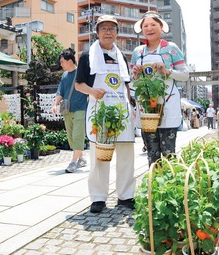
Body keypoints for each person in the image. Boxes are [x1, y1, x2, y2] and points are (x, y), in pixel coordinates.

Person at [75, 15, 135, 213]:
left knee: (126, 154)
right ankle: (98, 198)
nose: (108, 32)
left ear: (117, 33)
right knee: (99, 156)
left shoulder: (122, 57)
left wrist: (130, 108)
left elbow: (127, 85)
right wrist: (93, 91)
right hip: (99, 112)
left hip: (121, 112)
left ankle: (125, 196)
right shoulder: (87, 56)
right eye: (104, 28)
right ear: (97, 32)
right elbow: (79, 84)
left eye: (112, 28)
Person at [131, 11, 189, 166]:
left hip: (168, 104)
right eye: (146, 26)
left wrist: (168, 71)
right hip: (147, 108)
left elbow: (185, 75)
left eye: (153, 25)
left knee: (168, 153)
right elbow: (133, 82)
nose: (149, 28)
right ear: (142, 29)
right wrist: (135, 74)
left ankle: (171, 187)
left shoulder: (171, 49)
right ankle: (153, 187)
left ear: (161, 27)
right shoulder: (138, 52)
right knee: (152, 154)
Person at [51, 48, 88, 173]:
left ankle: (73, 162)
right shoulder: (64, 75)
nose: (61, 64)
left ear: (70, 60)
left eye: (62, 62)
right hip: (67, 110)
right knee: (71, 137)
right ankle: (81, 158)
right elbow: (60, 91)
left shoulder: (81, 72)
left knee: (78, 135)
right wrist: (55, 104)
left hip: (81, 108)